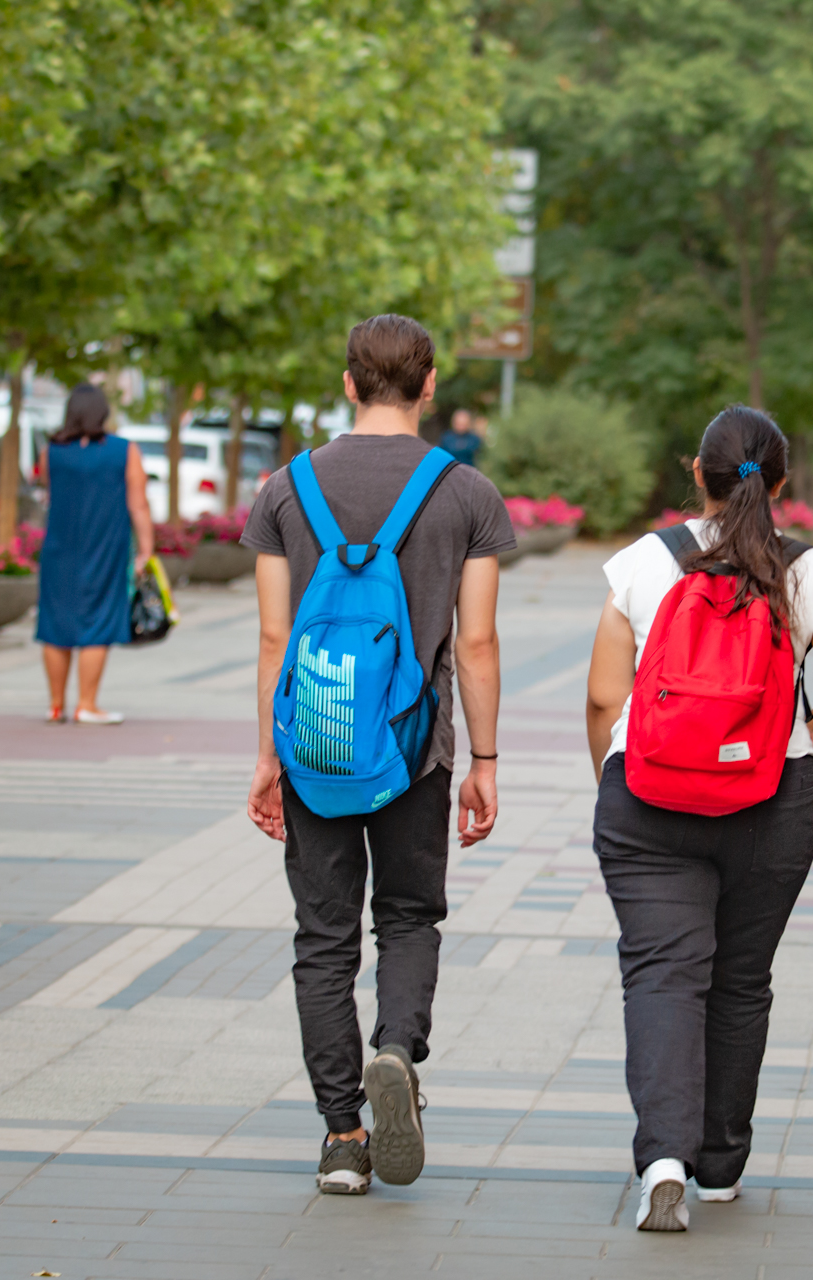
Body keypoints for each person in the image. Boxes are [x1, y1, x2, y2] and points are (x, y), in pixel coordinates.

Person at [586, 405, 813, 1232]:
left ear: (698, 473)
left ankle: (661, 1157)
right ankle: (719, 1167)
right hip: (771, 797)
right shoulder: (803, 570)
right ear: (783, 482)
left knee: (661, 974)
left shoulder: (644, 564)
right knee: (740, 981)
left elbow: (599, 698)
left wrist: (614, 784)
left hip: (646, 797)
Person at [243, 314, 516, 1197]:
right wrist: (486, 760)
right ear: (429, 384)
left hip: (315, 744)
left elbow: (275, 636)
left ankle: (341, 1139)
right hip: (414, 751)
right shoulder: (466, 492)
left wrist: (266, 757)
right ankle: (395, 1050)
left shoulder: (286, 488)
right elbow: (475, 645)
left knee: (322, 941)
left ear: (349, 382)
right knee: (406, 918)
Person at [35, 383, 153, 725]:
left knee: (56, 623)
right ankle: (87, 704)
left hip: (59, 547)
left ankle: (55, 705)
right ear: (103, 412)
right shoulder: (124, 450)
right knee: (98, 620)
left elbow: (47, 488)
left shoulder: (51, 451)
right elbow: (139, 503)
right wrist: (146, 548)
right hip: (106, 545)